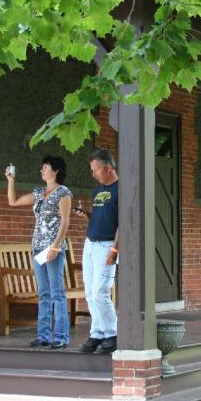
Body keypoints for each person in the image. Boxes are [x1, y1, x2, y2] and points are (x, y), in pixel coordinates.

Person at [5, 156, 72, 349]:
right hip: (37, 248)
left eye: (45, 167)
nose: (42, 171)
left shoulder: (63, 193)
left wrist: (56, 246)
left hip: (53, 248)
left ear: (56, 170)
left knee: (57, 292)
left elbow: (65, 221)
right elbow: (13, 201)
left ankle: (61, 337)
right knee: (43, 293)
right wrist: (11, 180)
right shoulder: (39, 192)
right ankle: (43, 336)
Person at [74, 148, 119, 355]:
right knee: (90, 293)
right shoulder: (97, 191)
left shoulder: (121, 190)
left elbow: (122, 223)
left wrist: (115, 249)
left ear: (108, 168)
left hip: (107, 245)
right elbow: (102, 218)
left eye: (96, 170)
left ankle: (112, 334)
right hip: (90, 244)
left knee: (101, 291)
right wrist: (87, 215)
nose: (93, 174)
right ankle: (97, 333)